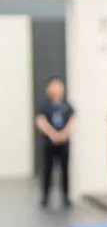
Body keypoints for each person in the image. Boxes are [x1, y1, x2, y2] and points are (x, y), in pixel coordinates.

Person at [35, 76, 75, 208]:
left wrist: (63, 134)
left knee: (65, 170)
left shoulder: (67, 106)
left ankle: (66, 196)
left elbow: (72, 121)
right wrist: (52, 134)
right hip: (49, 143)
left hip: (64, 143)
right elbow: (40, 121)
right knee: (47, 169)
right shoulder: (45, 106)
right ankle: (45, 196)